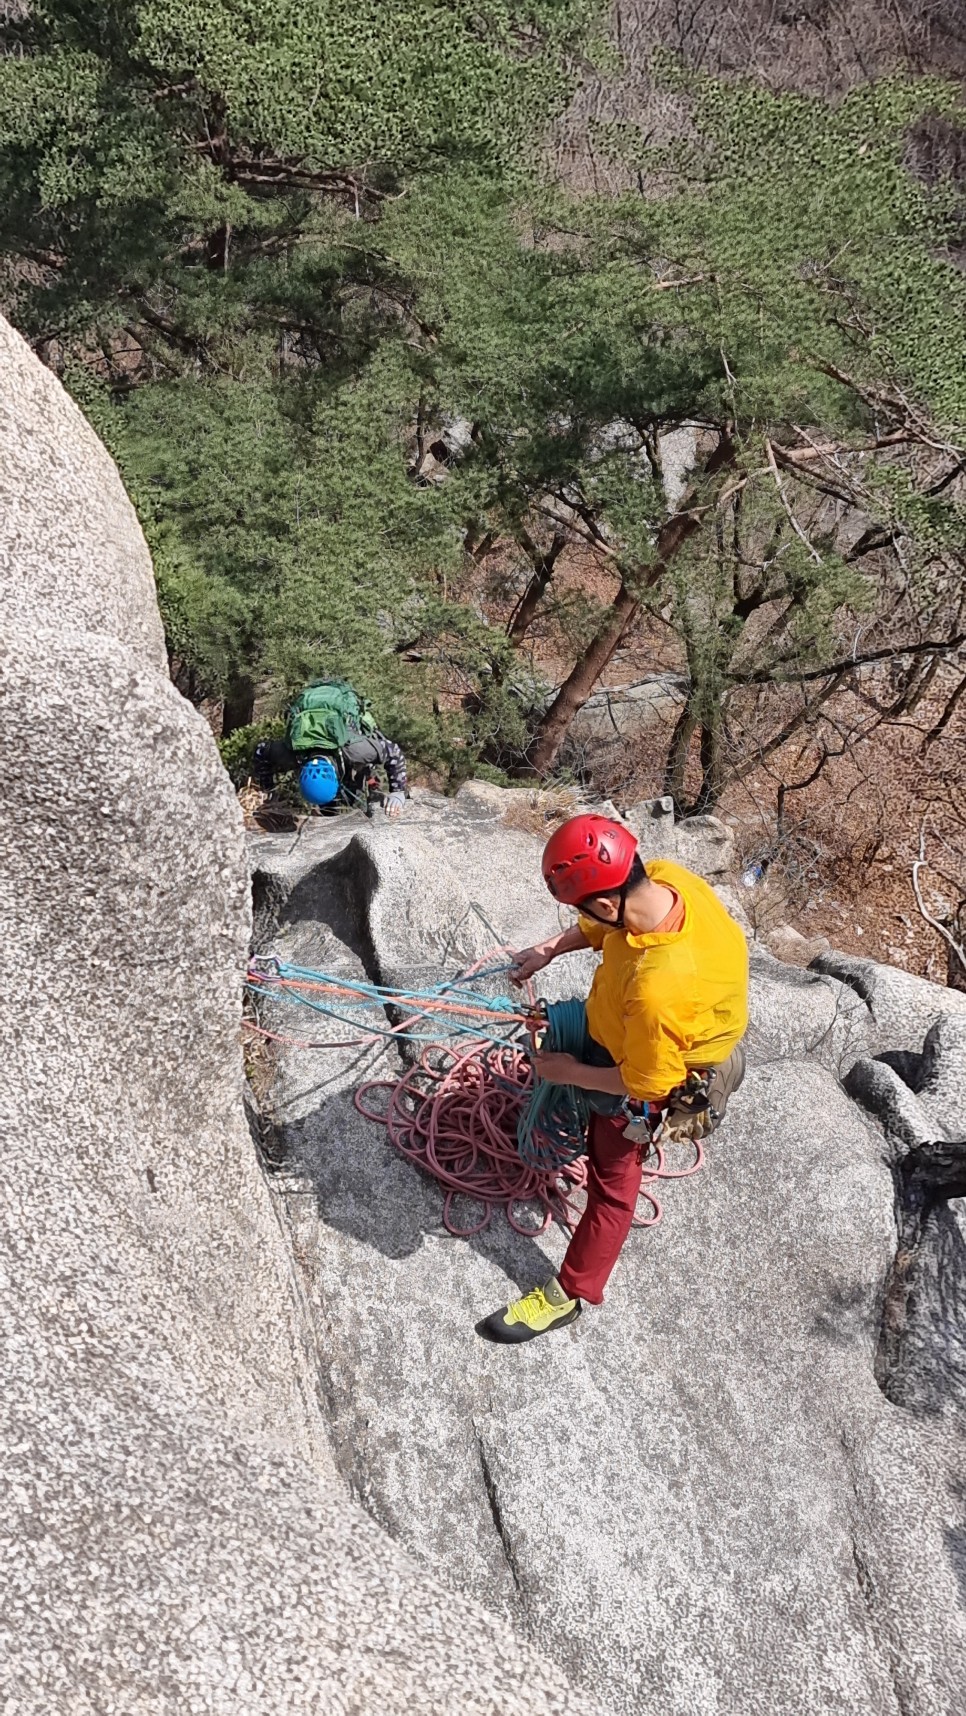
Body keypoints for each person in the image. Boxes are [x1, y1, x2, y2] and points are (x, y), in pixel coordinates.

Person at [482, 814, 749, 1345]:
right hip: (629, 1028)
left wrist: (568, 1072)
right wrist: (552, 947)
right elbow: (603, 923)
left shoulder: (662, 988)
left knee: (612, 1186)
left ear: (607, 904)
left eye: (585, 908)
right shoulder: (665, 881)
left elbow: (643, 1085)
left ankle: (569, 1296)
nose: (589, 918)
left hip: (651, 1069)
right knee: (559, 1036)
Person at [254, 689, 408, 818]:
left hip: (346, 727)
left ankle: (363, 787)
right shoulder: (291, 753)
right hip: (320, 733)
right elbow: (261, 750)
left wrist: (397, 791)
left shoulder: (355, 750)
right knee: (330, 806)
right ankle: (330, 810)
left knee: (358, 784)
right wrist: (268, 792)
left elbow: (393, 751)